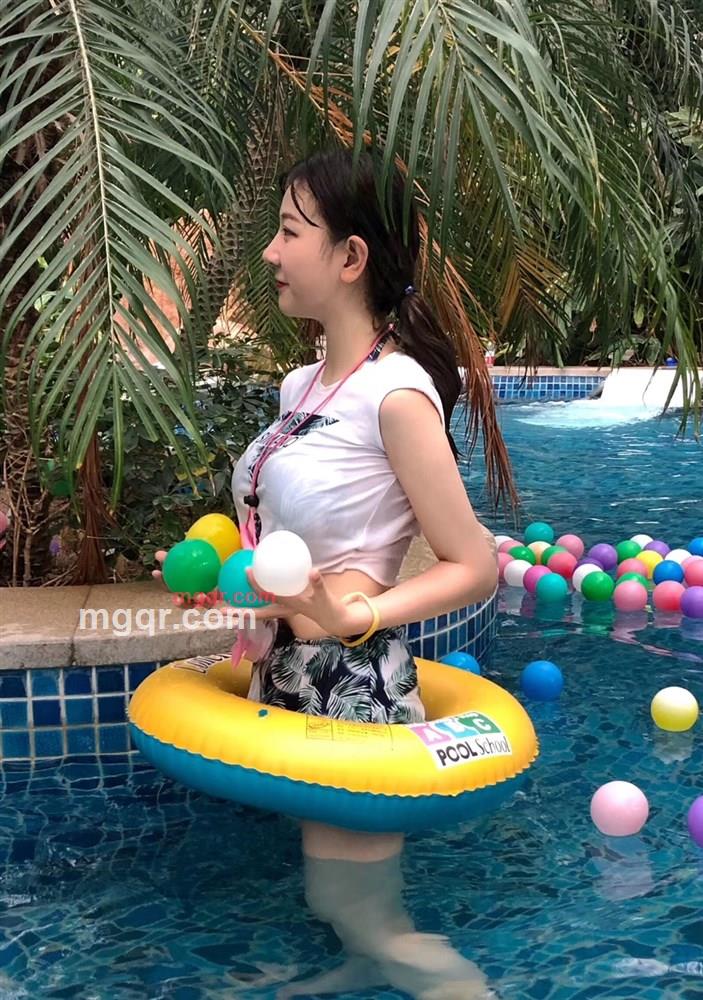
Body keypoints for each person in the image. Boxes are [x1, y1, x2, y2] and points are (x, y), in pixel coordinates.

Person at [225, 147, 499, 999]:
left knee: (369, 915)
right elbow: (284, 540)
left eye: (288, 231)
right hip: (287, 669)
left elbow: (475, 564)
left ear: (350, 257)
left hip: (352, 681)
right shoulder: (298, 387)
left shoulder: (396, 394)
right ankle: (352, 971)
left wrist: (359, 616)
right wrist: (247, 600)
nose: (270, 251)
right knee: (336, 902)